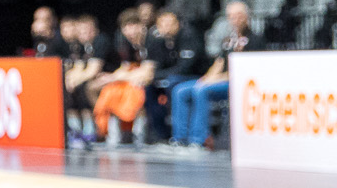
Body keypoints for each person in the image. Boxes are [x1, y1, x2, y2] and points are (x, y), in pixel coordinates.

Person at [171, 16, 247, 147]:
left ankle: (198, 140)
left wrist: (216, 79)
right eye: (232, 17)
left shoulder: (254, 39)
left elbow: (247, 70)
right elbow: (219, 62)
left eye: (238, 16)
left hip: (239, 82)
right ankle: (180, 139)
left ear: (246, 17)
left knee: (201, 91)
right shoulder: (230, 40)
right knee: (180, 90)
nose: (235, 20)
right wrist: (207, 78)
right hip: (220, 80)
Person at [92, 10, 153, 144]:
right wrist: (112, 77)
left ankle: (139, 134)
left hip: (153, 77)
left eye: (133, 26)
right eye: (126, 27)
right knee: (109, 90)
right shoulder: (126, 44)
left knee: (135, 90)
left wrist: (118, 78)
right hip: (133, 76)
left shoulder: (151, 41)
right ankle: (111, 132)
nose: (129, 31)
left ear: (141, 26)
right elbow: (125, 67)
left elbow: (148, 71)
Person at [143, 10, 201, 143]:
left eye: (170, 23)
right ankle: (161, 134)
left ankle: (180, 136)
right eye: (162, 24)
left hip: (194, 76)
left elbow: (185, 68)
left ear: (178, 24)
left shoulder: (188, 35)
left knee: (172, 84)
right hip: (171, 76)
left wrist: (157, 75)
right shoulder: (158, 41)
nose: (167, 27)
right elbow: (156, 65)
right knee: (149, 87)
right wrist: (153, 77)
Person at [60, 16, 104, 146]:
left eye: (87, 30)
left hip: (106, 76)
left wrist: (75, 80)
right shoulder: (81, 46)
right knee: (69, 89)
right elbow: (79, 67)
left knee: (84, 87)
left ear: (94, 30)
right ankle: (76, 129)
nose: (84, 34)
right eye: (81, 31)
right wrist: (69, 80)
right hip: (92, 79)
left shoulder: (100, 41)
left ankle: (91, 128)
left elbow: (93, 70)